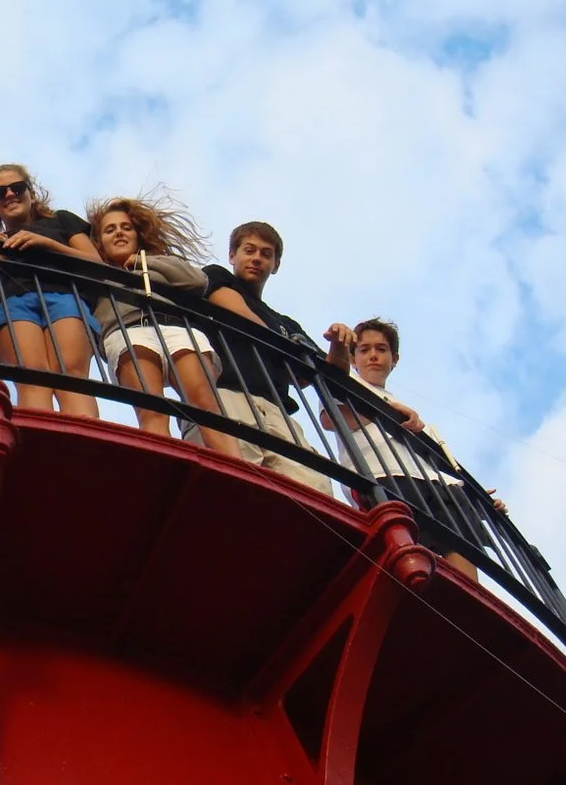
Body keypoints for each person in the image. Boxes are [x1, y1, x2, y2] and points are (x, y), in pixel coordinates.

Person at [182, 221, 353, 494]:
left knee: (314, 487)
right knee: (232, 480)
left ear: (276, 264)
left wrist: (340, 345)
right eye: (249, 250)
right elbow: (237, 314)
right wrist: (287, 350)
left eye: (266, 254)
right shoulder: (217, 277)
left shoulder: (287, 324)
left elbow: (325, 375)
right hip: (224, 394)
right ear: (232, 256)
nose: (257, 259)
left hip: (275, 409)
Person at [329, 318, 507, 581]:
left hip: (428, 482)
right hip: (382, 476)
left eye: (381, 349)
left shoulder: (406, 409)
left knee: (462, 541)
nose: (373, 356)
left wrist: (477, 499)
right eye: (364, 350)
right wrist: (386, 414)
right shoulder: (345, 384)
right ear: (353, 359)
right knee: (405, 554)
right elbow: (332, 418)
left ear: (395, 358)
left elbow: (427, 465)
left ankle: (464, 604)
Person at [87, 194, 241, 458]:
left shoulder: (160, 261)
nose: (119, 234)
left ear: (137, 234)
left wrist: (142, 262)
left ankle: (236, 467)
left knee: (205, 403)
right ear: (99, 241)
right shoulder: (93, 270)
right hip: (127, 331)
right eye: (110, 230)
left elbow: (197, 281)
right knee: (151, 409)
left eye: (126, 227)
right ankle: (162, 467)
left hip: (175, 327)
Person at [0, 164, 102, 417]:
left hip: (65, 297)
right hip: (13, 304)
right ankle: (41, 450)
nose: (10, 194)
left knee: (72, 376)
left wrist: (48, 244)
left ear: (31, 192)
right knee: (31, 377)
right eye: (0, 192)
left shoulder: (61, 220)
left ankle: (86, 451)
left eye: (17, 188)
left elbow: (96, 264)